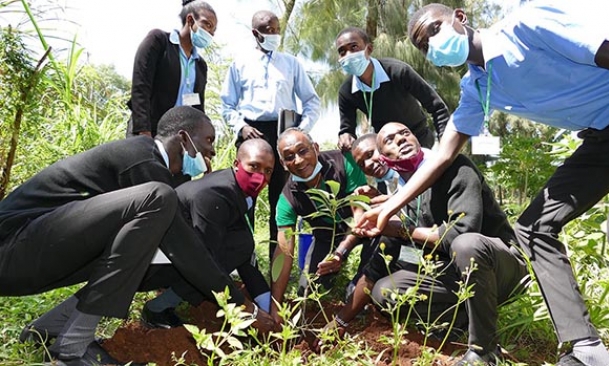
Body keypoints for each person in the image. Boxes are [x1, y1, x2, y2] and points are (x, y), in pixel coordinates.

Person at [358, 2, 609, 365]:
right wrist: (389, 205)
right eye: (423, 45)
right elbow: (440, 154)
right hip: (599, 139)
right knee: (532, 227)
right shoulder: (477, 87)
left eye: (435, 30)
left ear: (460, 18)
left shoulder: (526, 26)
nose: (432, 44)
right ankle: (585, 349)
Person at [0, 107, 275, 365]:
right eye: (208, 140)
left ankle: (50, 328)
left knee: (152, 246)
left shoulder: (158, 171)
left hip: (40, 251)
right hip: (13, 248)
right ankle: (74, 348)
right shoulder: (142, 160)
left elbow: (173, 251)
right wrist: (244, 309)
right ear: (184, 138)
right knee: (159, 201)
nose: (212, 151)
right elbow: (189, 250)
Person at [329, 123, 527, 365]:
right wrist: (339, 320)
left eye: (405, 133)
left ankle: (483, 349)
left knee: (466, 245)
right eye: (390, 140)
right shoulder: (401, 200)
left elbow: (459, 234)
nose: (401, 139)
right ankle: (460, 321)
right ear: (385, 161)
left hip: (503, 270)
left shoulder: (456, 168)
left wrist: (403, 230)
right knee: (384, 290)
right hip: (456, 275)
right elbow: (374, 270)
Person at [141, 139, 277, 328]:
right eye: (254, 166)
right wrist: (249, 311)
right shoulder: (215, 195)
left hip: (176, 254)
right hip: (148, 264)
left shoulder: (239, 192)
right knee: (215, 261)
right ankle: (157, 309)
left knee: (242, 243)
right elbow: (204, 264)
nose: (260, 177)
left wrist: (270, 309)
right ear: (237, 164)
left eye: (268, 171)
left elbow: (245, 255)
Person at [221, 10, 321, 260]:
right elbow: (227, 105)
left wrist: (301, 130)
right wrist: (241, 127)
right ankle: (244, 261)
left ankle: (281, 263)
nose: (275, 34)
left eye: (277, 29)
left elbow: (311, 101)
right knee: (245, 202)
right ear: (256, 33)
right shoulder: (239, 64)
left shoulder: (291, 63)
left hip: (284, 132)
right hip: (252, 134)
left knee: (283, 201)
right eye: (269, 30)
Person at [270, 128, 371, 324]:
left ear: (315, 148)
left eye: (303, 151)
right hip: (326, 237)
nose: (298, 161)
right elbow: (284, 251)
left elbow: (362, 217)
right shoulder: (287, 199)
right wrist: (275, 305)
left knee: (368, 277)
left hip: (364, 228)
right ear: (283, 164)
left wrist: (340, 253)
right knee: (308, 291)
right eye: (289, 157)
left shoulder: (344, 162)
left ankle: (360, 292)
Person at [335, 27, 450, 152]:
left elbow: (437, 107)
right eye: (342, 52)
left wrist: (446, 146)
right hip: (388, 149)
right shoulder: (346, 92)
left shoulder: (398, 71)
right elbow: (347, 130)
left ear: (369, 49)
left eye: (354, 47)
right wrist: (346, 137)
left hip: (420, 140)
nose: (348, 55)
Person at [127, 0, 216, 137]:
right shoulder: (159, 41)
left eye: (214, 30)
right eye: (208, 25)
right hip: (149, 130)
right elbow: (141, 88)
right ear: (190, 20)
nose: (211, 33)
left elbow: (197, 105)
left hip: (177, 138)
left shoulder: (200, 65)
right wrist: (144, 132)